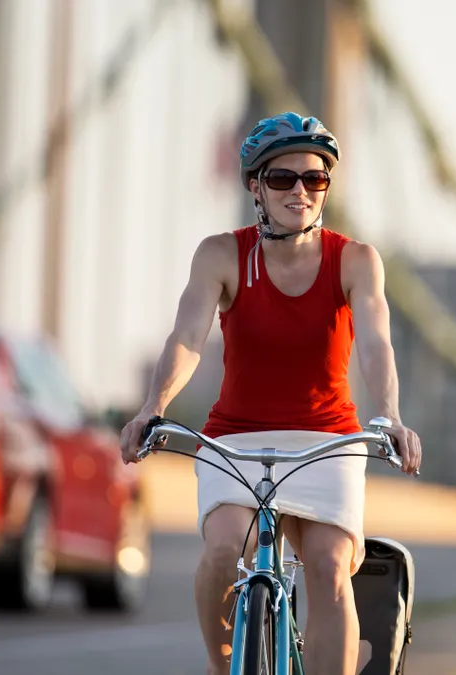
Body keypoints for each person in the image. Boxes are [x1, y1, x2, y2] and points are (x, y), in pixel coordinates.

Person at [118, 111, 422, 675]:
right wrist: (151, 408)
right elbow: (187, 337)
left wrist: (391, 417)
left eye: (315, 178)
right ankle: (223, 664)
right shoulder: (221, 255)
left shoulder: (355, 260)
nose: (300, 191)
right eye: (283, 179)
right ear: (255, 186)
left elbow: (377, 344)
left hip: (326, 440)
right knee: (219, 553)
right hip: (237, 439)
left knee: (330, 567)